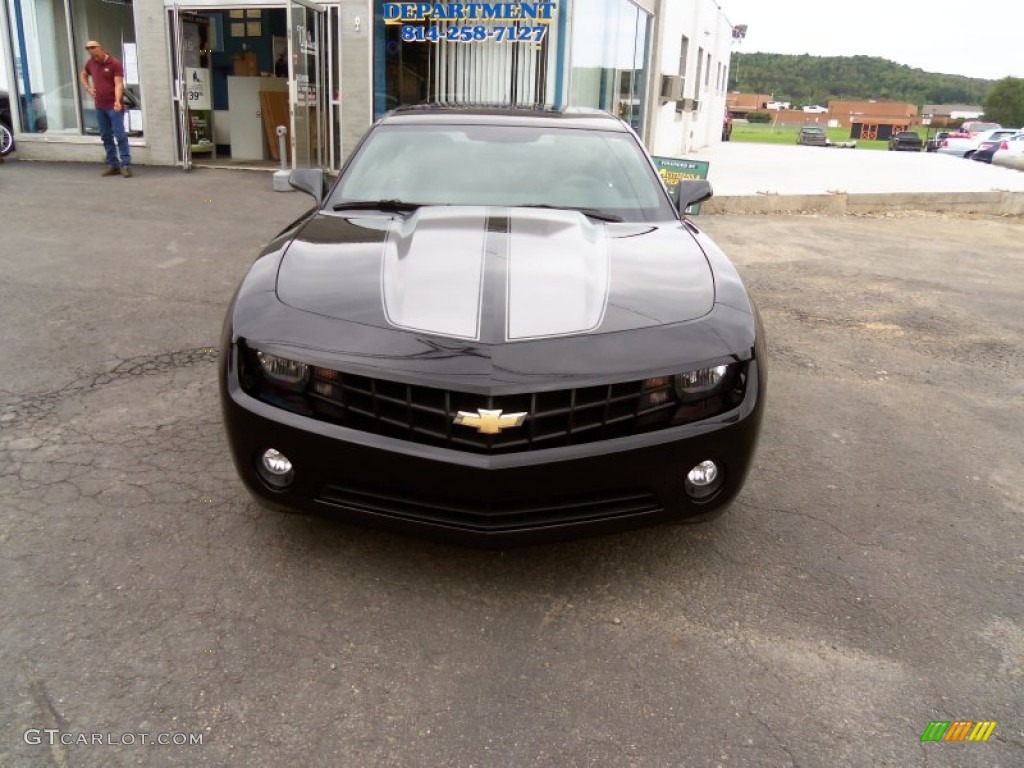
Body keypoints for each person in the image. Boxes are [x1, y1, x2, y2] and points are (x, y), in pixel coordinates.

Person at [80, 40, 132, 177]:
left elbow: (118, 84)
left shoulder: (114, 63)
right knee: (106, 135)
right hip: (100, 106)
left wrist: (117, 101)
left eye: (94, 51)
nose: (93, 56)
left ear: (101, 49)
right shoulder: (91, 62)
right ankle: (113, 164)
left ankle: (126, 164)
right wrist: (88, 88)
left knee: (120, 135)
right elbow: (83, 74)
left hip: (113, 106)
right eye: (89, 51)